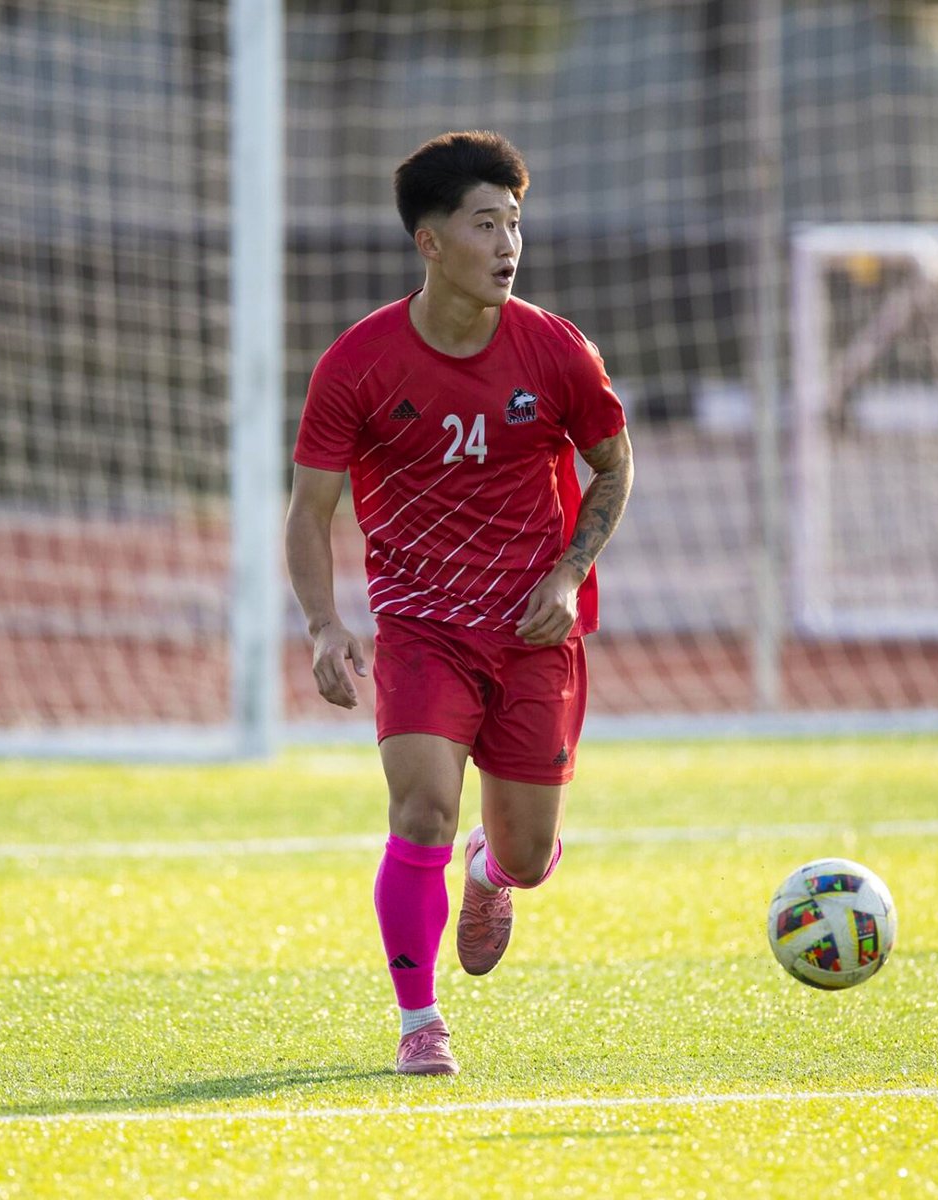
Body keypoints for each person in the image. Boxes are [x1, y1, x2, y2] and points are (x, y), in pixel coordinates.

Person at [285, 130, 633, 1076]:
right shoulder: (357, 364)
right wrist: (324, 623)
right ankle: (418, 1021)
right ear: (430, 242)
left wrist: (567, 573)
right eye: (487, 224)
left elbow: (613, 467)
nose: (509, 244)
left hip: (532, 634)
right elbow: (310, 511)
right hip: (422, 632)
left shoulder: (557, 351)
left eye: (515, 222)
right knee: (420, 814)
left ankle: (493, 872)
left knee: (524, 855)